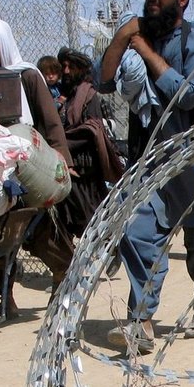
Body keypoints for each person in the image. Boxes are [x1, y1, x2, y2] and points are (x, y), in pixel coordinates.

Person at [98, 0, 194, 353]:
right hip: (151, 156)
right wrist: (123, 38)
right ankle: (142, 321)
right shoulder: (139, 33)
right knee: (138, 230)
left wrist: (142, 49)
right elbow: (102, 81)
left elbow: (187, 92)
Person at [0, 19, 75, 317]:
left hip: (32, 167)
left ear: (2, 45)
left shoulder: (27, 75)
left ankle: (62, 280)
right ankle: (7, 299)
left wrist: (61, 162)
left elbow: (49, 121)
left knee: (43, 233)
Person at [55, 46, 124, 245]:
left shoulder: (89, 95)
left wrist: (62, 142)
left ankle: (111, 249)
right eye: (64, 67)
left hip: (86, 169)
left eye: (71, 67)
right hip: (69, 167)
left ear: (81, 69)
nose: (66, 71)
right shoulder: (65, 98)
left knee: (91, 219)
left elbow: (91, 130)